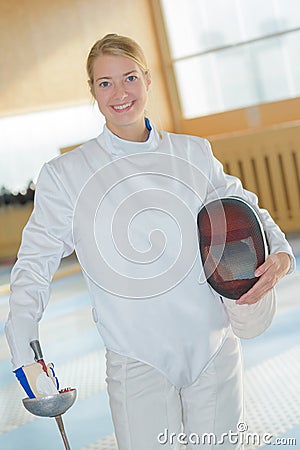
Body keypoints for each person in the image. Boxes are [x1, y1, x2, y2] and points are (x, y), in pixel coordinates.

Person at [5, 34, 295, 450]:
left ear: (148, 80)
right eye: (105, 83)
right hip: (135, 358)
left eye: (130, 78)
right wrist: (24, 354)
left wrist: (282, 253)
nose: (120, 93)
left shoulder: (194, 152)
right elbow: (33, 266)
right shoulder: (67, 174)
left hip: (212, 346)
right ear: (92, 90)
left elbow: (243, 205)